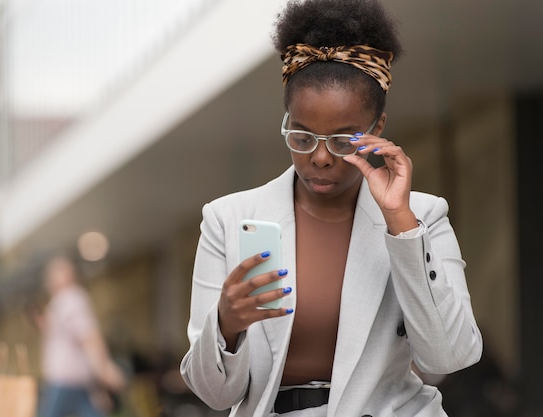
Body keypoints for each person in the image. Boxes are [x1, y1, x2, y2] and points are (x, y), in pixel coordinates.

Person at [179, 0, 483, 416]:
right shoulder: (227, 219)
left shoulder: (423, 216)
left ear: (376, 129)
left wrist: (400, 225)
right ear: (286, 121)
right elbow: (214, 396)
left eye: (343, 141)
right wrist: (226, 326)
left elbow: (448, 358)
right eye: (302, 137)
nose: (320, 158)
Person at [35, 254, 126, 417]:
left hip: (65, 378)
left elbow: (88, 337)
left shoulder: (71, 298)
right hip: (75, 380)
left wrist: (104, 369)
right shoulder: (61, 302)